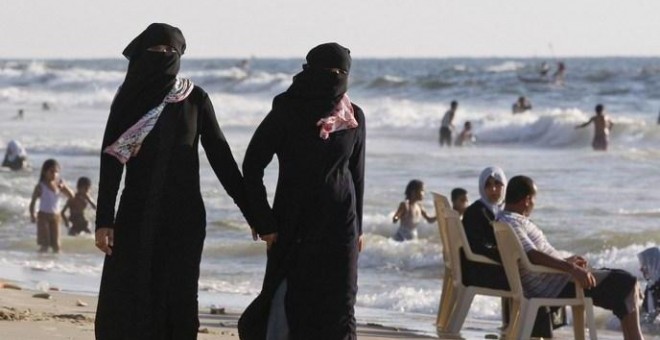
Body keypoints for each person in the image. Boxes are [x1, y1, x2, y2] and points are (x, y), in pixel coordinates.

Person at [94, 23, 251, 340]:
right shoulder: (128, 101)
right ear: (142, 53)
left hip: (185, 218)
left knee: (178, 296)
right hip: (136, 214)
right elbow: (111, 160)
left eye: (172, 51)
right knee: (132, 292)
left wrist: (253, 212)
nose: (165, 56)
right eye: (157, 50)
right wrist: (103, 221)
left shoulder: (194, 99)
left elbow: (221, 157)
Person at [239, 42, 365, 340]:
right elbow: (252, 165)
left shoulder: (353, 116)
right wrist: (263, 221)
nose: (335, 77)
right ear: (310, 71)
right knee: (292, 302)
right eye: (328, 71)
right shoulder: (287, 110)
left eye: (341, 72)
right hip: (294, 224)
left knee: (342, 304)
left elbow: (357, 175)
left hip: (341, 227)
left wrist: (358, 227)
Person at [497, 175, 645, 340]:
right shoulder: (512, 222)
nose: (534, 204)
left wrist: (566, 261)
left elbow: (529, 256)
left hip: (552, 279)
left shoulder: (505, 220)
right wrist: (572, 269)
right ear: (527, 199)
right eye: (534, 200)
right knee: (627, 283)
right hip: (554, 285)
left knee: (625, 289)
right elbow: (532, 256)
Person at [28, 159, 74, 253]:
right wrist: (32, 215)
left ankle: (55, 266)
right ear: (45, 172)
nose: (54, 174)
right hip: (43, 216)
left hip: (56, 217)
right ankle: (39, 261)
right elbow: (33, 202)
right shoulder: (40, 186)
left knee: (56, 245)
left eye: (56, 172)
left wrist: (65, 187)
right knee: (45, 244)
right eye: (51, 171)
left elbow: (71, 196)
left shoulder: (59, 186)